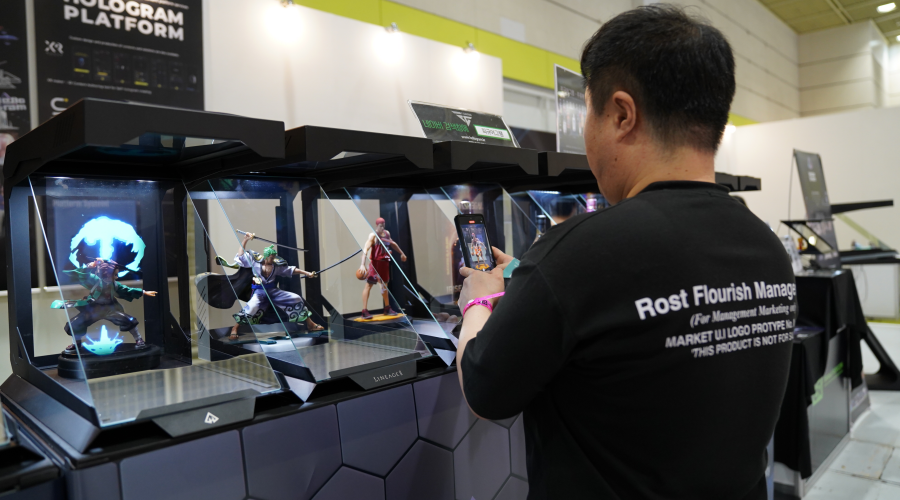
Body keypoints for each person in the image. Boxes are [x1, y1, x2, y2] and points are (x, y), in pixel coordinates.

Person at [455, 5, 796, 499]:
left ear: (620, 114)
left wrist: (479, 299)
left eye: (588, 113)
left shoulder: (580, 252)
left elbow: (485, 391)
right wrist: (532, 277)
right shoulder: (766, 246)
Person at [230, 232, 322, 339]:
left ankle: (310, 324)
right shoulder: (255, 262)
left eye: (274, 257)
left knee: (296, 298)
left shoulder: (276, 266)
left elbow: (291, 270)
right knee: (252, 307)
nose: (273, 259)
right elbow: (241, 256)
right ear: (266, 256)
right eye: (271, 257)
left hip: (273, 291)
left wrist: (307, 273)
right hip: (260, 292)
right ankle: (235, 328)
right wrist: (245, 239)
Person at [56, 258, 156, 353]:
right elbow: (84, 275)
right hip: (94, 309)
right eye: (115, 275)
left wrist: (143, 292)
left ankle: (139, 340)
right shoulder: (95, 280)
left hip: (110, 309)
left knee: (129, 320)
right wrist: (91, 265)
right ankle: (76, 344)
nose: (116, 277)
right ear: (107, 274)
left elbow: (126, 290)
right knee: (75, 324)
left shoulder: (114, 284)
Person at [358, 217, 407, 319]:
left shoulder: (387, 233)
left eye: (383, 225)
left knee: (385, 286)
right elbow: (365, 249)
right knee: (369, 285)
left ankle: (387, 308)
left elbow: (393, 244)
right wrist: (362, 264)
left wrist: (402, 253)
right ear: (377, 225)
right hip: (375, 264)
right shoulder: (373, 235)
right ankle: (364, 311)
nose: (382, 227)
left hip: (385, 264)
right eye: (381, 226)